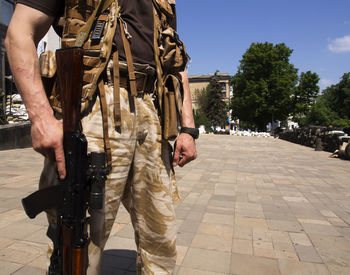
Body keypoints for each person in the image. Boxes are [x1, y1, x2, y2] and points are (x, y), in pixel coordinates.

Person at [5, 0, 197, 274]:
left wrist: (187, 129)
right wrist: (41, 118)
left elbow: (176, 63)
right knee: (80, 240)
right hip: (94, 103)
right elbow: (20, 31)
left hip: (150, 108)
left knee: (161, 240)